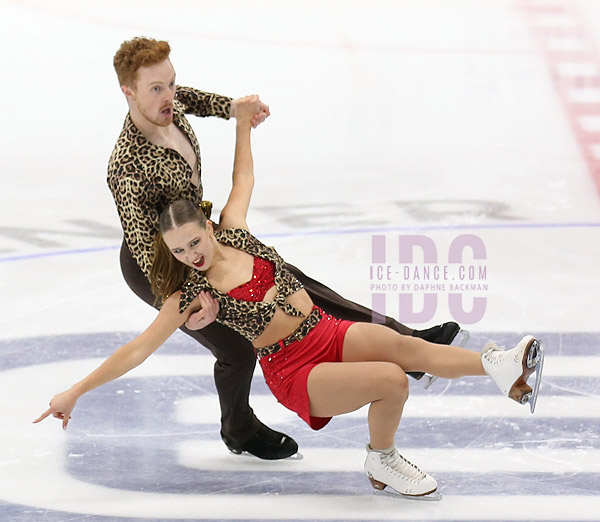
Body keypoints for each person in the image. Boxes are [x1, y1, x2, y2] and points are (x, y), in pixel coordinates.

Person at [35, 96, 543, 498]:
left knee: (407, 348)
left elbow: (243, 178)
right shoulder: (191, 294)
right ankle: (382, 460)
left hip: (327, 331)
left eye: (194, 241)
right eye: (178, 249)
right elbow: (137, 350)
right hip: (295, 369)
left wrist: (240, 125)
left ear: (208, 227)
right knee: (392, 381)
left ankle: (500, 367)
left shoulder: (232, 230)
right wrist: (74, 392)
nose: (190, 254)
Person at [107, 36, 462, 460]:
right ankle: (238, 429)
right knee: (236, 346)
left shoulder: (165, 102)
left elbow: (190, 98)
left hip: (203, 235)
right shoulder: (126, 166)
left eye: (170, 83)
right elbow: (147, 249)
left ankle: (407, 343)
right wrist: (187, 294)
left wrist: (232, 109)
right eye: (156, 88)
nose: (170, 95)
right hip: (165, 265)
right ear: (128, 92)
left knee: (298, 288)